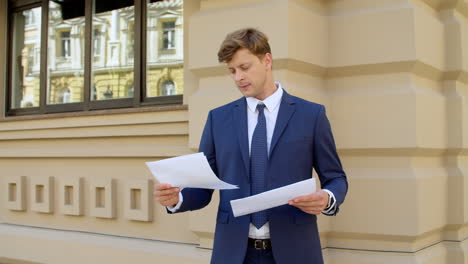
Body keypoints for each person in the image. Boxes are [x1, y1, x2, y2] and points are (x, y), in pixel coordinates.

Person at [154, 28, 348, 264]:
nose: (238, 78)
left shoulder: (311, 115)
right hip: (234, 253)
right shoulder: (218, 119)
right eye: (232, 71)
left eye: (244, 68)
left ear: (267, 60)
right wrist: (176, 199)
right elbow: (203, 188)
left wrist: (327, 198)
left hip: (295, 251)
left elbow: (336, 178)